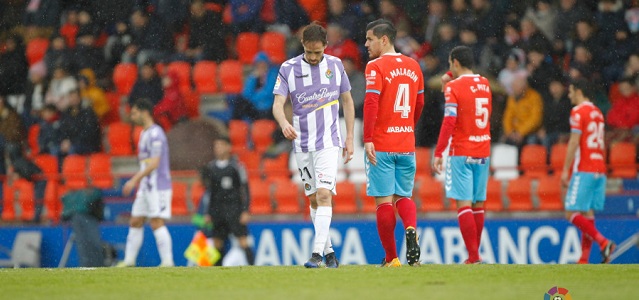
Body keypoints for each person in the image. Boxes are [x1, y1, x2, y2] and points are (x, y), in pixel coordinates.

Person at [272, 22, 355, 268]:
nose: (314, 57)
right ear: (303, 46)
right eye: (309, 52)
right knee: (313, 199)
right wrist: (283, 122)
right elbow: (277, 104)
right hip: (302, 143)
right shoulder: (288, 68)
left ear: (326, 47)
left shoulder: (336, 66)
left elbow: (348, 101)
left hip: (329, 141)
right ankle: (330, 253)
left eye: (318, 53)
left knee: (324, 194)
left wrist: (349, 137)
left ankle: (316, 254)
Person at [363, 19, 424, 267]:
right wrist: (408, 126)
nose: (366, 44)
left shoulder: (375, 66)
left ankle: (392, 258)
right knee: (404, 197)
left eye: (369, 39)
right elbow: (419, 105)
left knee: (383, 201)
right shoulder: (414, 66)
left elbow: (371, 103)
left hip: (382, 144)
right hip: (406, 142)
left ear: (384, 39)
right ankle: (410, 228)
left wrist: (368, 138)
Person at [433, 46, 492, 264]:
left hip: (462, 151)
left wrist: (439, 151)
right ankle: (475, 255)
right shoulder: (485, 84)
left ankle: (474, 256)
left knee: (464, 204)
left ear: (455, 63)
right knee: (478, 204)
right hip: (483, 149)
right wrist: (449, 74)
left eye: (450, 64)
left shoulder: (453, 88)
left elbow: (449, 121)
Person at [561, 79, 616, 264]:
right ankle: (583, 259)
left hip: (584, 168)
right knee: (587, 213)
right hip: (600, 168)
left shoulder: (578, 112)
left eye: (571, 91)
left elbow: (574, 142)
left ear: (579, 91)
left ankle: (603, 242)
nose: (569, 94)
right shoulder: (598, 113)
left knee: (571, 213)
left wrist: (565, 170)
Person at [117, 98, 174, 267]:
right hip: (146, 186)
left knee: (156, 221)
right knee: (135, 220)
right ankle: (129, 261)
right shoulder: (143, 133)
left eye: (134, 113)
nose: (132, 117)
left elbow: (155, 163)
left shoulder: (157, 134)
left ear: (144, 112)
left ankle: (167, 261)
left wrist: (134, 180)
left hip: (158, 186)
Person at [200, 136, 254, 265]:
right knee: (217, 243)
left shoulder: (237, 166)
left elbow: (245, 189)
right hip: (218, 210)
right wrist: (208, 212)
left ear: (228, 147)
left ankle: (252, 268)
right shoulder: (211, 167)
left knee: (243, 241)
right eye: (216, 146)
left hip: (234, 208)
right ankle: (218, 271)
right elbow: (210, 193)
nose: (217, 149)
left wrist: (246, 210)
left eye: (220, 145)